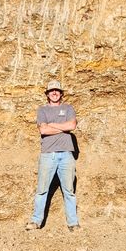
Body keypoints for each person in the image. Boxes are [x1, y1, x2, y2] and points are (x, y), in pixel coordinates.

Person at [25, 79, 80, 232]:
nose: (54, 93)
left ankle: (73, 223)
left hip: (67, 155)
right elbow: (43, 130)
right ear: (47, 94)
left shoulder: (68, 108)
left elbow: (72, 125)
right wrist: (63, 128)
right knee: (42, 190)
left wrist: (52, 125)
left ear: (61, 93)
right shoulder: (42, 110)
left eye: (57, 90)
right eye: (51, 91)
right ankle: (36, 221)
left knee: (69, 191)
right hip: (48, 155)